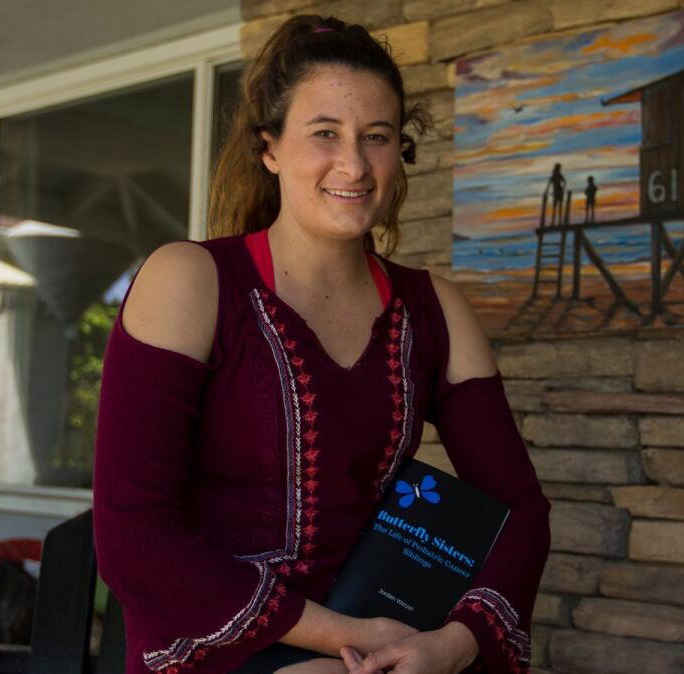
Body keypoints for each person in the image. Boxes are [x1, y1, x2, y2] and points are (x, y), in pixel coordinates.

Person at [92, 15, 550, 674]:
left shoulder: (436, 310)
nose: (356, 164)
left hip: (384, 637)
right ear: (270, 148)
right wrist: (342, 637)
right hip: (214, 635)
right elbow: (134, 538)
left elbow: (521, 512)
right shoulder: (188, 281)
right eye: (325, 133)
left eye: (378, 138)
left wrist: (449, 646)